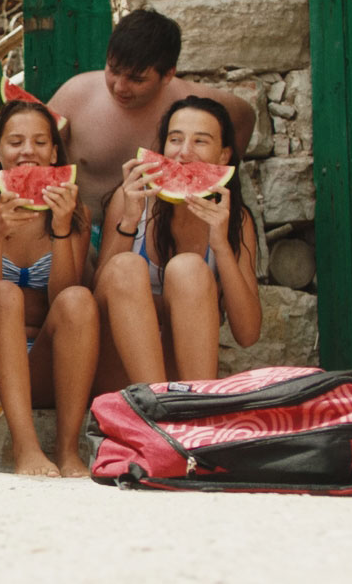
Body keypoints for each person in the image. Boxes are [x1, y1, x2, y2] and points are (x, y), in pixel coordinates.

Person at [0, 101, 100, 477]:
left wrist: (61, 228)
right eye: (15, 141)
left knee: (79, 299)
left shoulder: (75, 211)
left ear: (55, 153)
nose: (28, 152)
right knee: (4, 294)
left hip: (52, 362)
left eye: (40, 142)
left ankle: (69, 450)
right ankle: (26, 448)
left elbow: (63, 295)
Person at [47, 9, 256, 257]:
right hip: (82, 231)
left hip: (152, 232)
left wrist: (215, 173)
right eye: (113, 70)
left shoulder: (191, 101)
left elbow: (245, 117)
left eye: (137, 79)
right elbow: (36, 147)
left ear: (167, 75)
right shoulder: (74, 95)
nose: (120, 86)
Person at [94, 96, 261, 388]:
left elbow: (247, 333)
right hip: (117, 368)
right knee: (126, 266)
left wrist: (221, 246)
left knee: (190, 269)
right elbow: (99, 299)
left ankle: (192, 407)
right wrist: (130, 222)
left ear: (223, 157)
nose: (184, 153)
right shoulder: (131, 198)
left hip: (184, 374)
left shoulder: (236, 220)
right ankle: (159, 408)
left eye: (200, 141)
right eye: (175, 139)